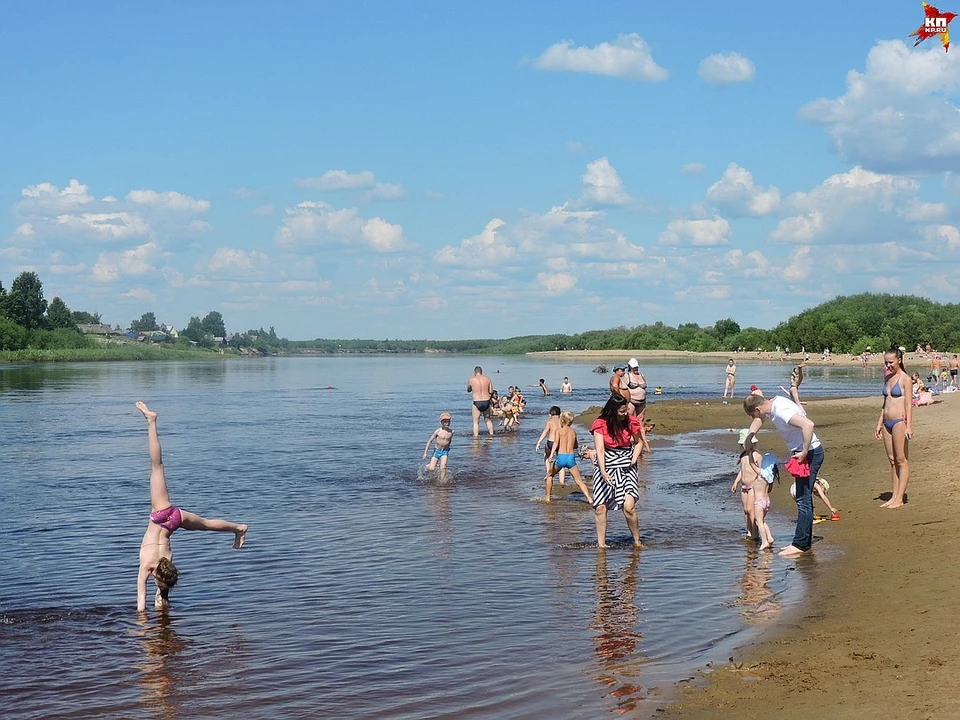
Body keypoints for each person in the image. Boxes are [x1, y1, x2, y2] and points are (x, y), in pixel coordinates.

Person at [135, 402, 247, 613]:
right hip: (165, 515)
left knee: (158, 468)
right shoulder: (155, 565)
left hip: (169, 518)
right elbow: (140, 603)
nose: (156, 582)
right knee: (157, 467)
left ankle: (238, 528)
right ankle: (237, 528)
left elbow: (142, 607)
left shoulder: (160, 563)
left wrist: (143, 623)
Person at [744, 391, 824, 558]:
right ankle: (804, 539)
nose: (756, 418)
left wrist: (803, 451)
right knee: (805, 498)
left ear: (758, 408)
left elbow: (808, 425)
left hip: (809, 453)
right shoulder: (773, 402)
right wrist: (749, 437)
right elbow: (759, 419)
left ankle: (800, 544)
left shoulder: (781, 411)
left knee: (803, 499)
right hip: (806, 452)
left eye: (754, 414)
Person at [590, 394, 643, 548]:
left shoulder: (631, 422)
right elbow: (599, 450)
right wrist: (603, 471)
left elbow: (638, 442)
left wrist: (633, 459)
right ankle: (602, 546)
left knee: (629, 506)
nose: (625, 414)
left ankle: (637, 541)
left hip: (627, 465)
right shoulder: (600, 424)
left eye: (626, 410)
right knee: (600, 508)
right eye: (621, 411)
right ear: (612, 411)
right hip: (605, 464)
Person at [875, 346, 912, 509]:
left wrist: (909, 426)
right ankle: (894, 495)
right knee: (891, 460)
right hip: (886, 422)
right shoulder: (887, 378)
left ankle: (900, 498)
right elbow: (885, 403)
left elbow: (908, 404)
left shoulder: (905, 379)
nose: (888, 365)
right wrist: (878, 423)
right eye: (886, 362)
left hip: (899, 421)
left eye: (890, 362)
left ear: (899, 360)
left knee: (901, 459)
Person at [547, 411, 593, 503]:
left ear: (562, 420)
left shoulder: (559, 430)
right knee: (579, 481)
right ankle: (590, 499)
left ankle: (548, 498)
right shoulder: (573, 432)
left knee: (549, 475)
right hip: (571, 457)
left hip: (561, 457)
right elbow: (576, 445)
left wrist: (551, 455)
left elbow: (555, 443)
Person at [731, 429, 760, 541]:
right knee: (746, 510)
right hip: (744, 486)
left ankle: (755, 532)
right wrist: (736, 482)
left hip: (753, 486)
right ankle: (749, 530)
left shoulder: (756, 455)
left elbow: (760, 471)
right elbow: (742, 470)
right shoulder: (743, 456)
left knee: (751, 509)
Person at [625, 359, 652, 455]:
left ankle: (644, 445)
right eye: (634, 368)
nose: (635, 369)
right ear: (630, 367)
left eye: (636, 367)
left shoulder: (642, 376)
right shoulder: (627, 376)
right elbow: (623, 388)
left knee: (641, 423)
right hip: (632, 402)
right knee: (629, 421)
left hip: (642, 402)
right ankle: (629, 442)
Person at [536, 406, 562, 488]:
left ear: (550, 414)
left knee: (546, 455)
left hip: (551, 442)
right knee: (560, 461)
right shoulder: (562, 421)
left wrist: (539, 442)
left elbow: (545, 432)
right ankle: (562, 482)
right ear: (560, 414)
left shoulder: (550, 421)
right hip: (560, 442)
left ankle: (548, 474)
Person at [423, 412, 454, 480]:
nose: (447, 423)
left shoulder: (451, 432)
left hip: (445, 451)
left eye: (448, 421)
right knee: (432, 468)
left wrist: (448, 447)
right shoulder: (438, 431)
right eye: (445, 422)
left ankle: (442, 481)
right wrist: (425, 453)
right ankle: (428, 466)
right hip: (437, 451)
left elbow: (449, 441)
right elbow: (430, 441)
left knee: (443, 467)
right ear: (441, 422)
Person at [467, 366, 495, 437]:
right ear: (482, 372)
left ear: (474, 372)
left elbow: (468, 390)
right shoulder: (487, 379)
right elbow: (491, 391)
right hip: (486, 401)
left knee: (476, 422)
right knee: (488, 420)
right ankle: (491, 435)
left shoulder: (471, 379)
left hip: (477, 401)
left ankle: (476, 438)